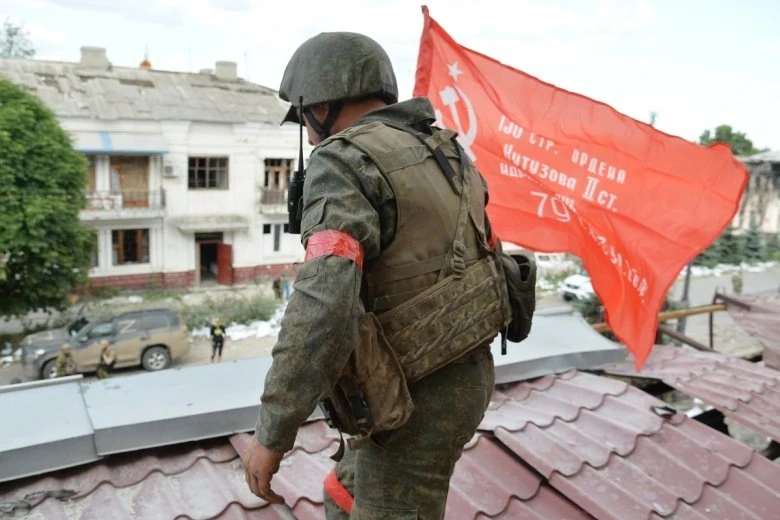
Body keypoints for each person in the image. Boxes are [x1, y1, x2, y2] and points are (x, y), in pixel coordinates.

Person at [242, 32, 511, 519]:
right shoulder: (447, 152)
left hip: (413, 400)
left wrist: (272, 432)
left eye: (304, 117)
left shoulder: (344, 160)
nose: (309, 136)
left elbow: (323, 302)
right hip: (464, 376)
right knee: (341, 493)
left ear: (322, 104)